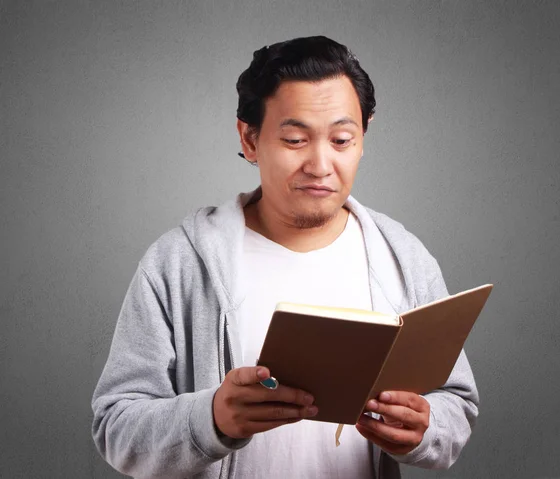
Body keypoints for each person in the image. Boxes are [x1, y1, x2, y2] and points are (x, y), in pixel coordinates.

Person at [92, 36, 479, 479]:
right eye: (295, 139)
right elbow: (115, 428)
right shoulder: (178, 262)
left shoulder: (403, 257)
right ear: (250, 139)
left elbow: (457, 403)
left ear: (364, 137)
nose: (320, 164)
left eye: (341, 139)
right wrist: (212, 418)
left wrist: (425, 428)